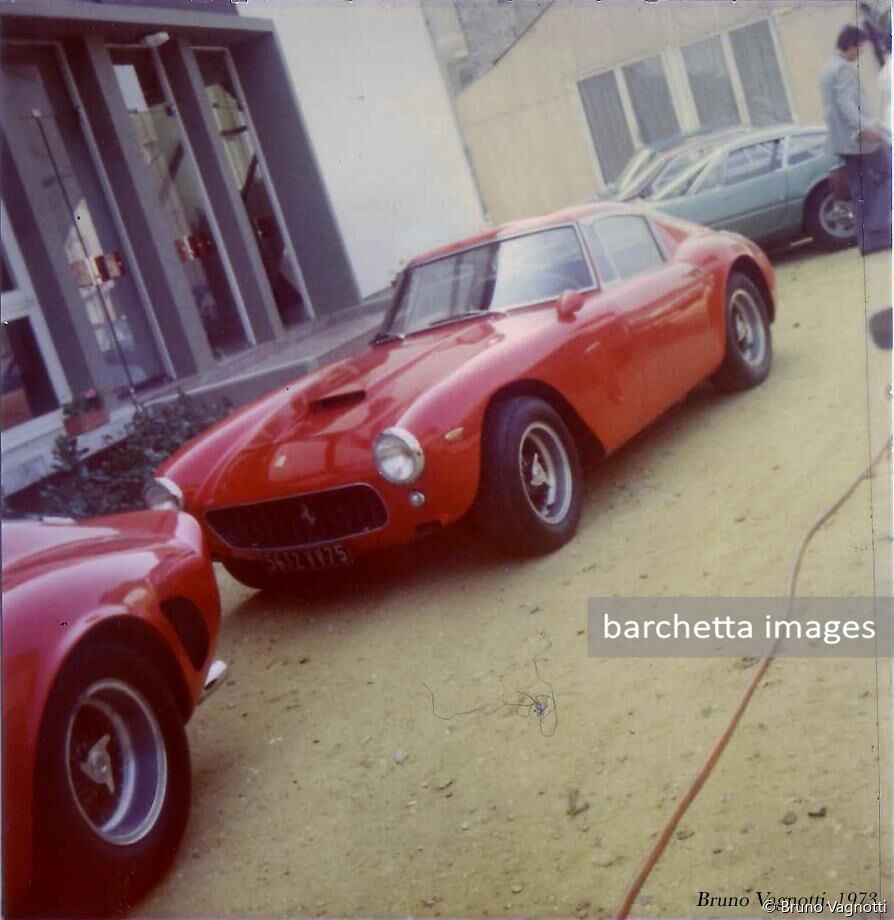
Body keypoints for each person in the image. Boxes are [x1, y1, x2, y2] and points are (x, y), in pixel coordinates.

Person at [819, 24, 892, 255]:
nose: (860, 53)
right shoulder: (843, 70)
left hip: (843, 142)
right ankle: (878, 226)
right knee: (889, 172)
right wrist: (864, 128)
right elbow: (846, 104)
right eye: (860, 48)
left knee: (861, 190)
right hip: (859, 139)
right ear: (851, 45)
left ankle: (867, 241)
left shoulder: (827, 69)